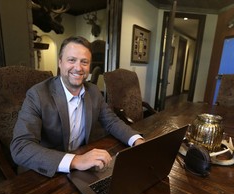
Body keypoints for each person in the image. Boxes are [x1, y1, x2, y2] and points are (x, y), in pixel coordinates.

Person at [10, 36, 144, 177]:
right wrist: (76, 160)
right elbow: (20, 147)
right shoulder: (37, 95)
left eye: (84, 62)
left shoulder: (93, 91)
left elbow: (112, 122)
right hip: (48, 170)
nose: (78, 68)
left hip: (81, 168)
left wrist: (137, 141)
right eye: (71, 60)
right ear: (60, 62)